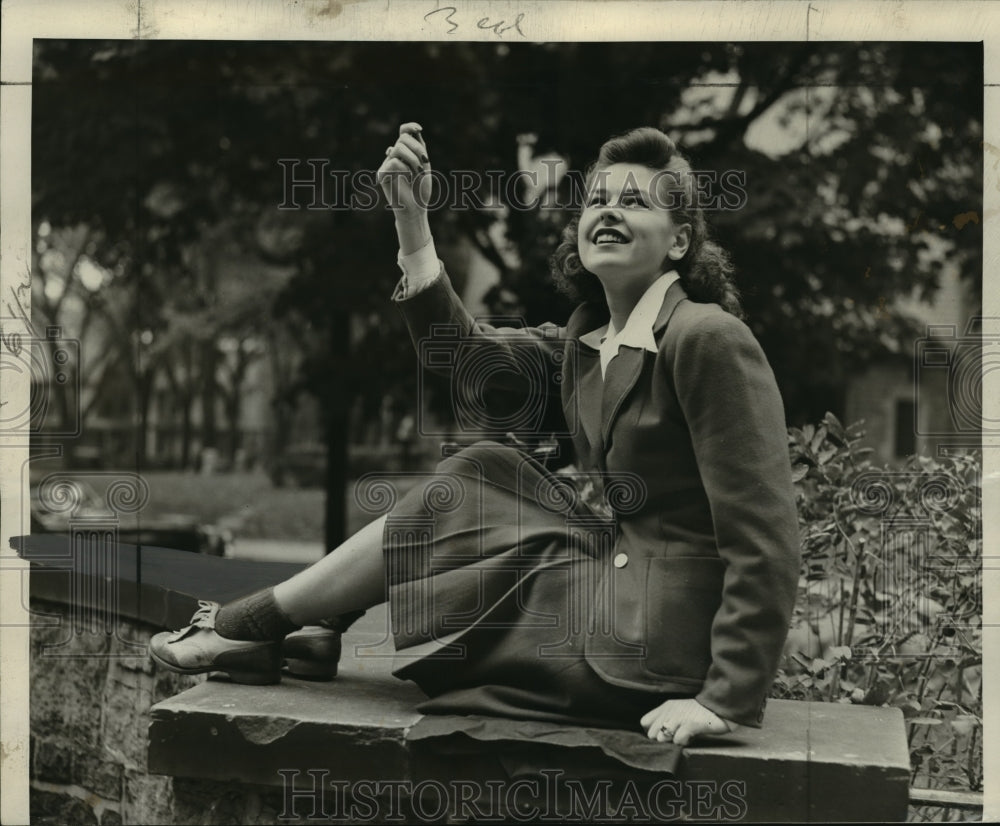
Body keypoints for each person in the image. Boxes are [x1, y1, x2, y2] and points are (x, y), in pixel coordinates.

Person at [150, 123, 800, 746]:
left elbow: (765, 534)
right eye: (598, 199)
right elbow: (469, 366)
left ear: (680, 242)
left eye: (635, 201)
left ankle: (263, 622)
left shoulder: (706, 339)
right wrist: (412, 223)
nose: (609, 211)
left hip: (657, 649)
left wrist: (723, 700)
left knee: (473, 483)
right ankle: (307, 620)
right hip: (615, 599)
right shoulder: (587, 345)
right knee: (485, 468)